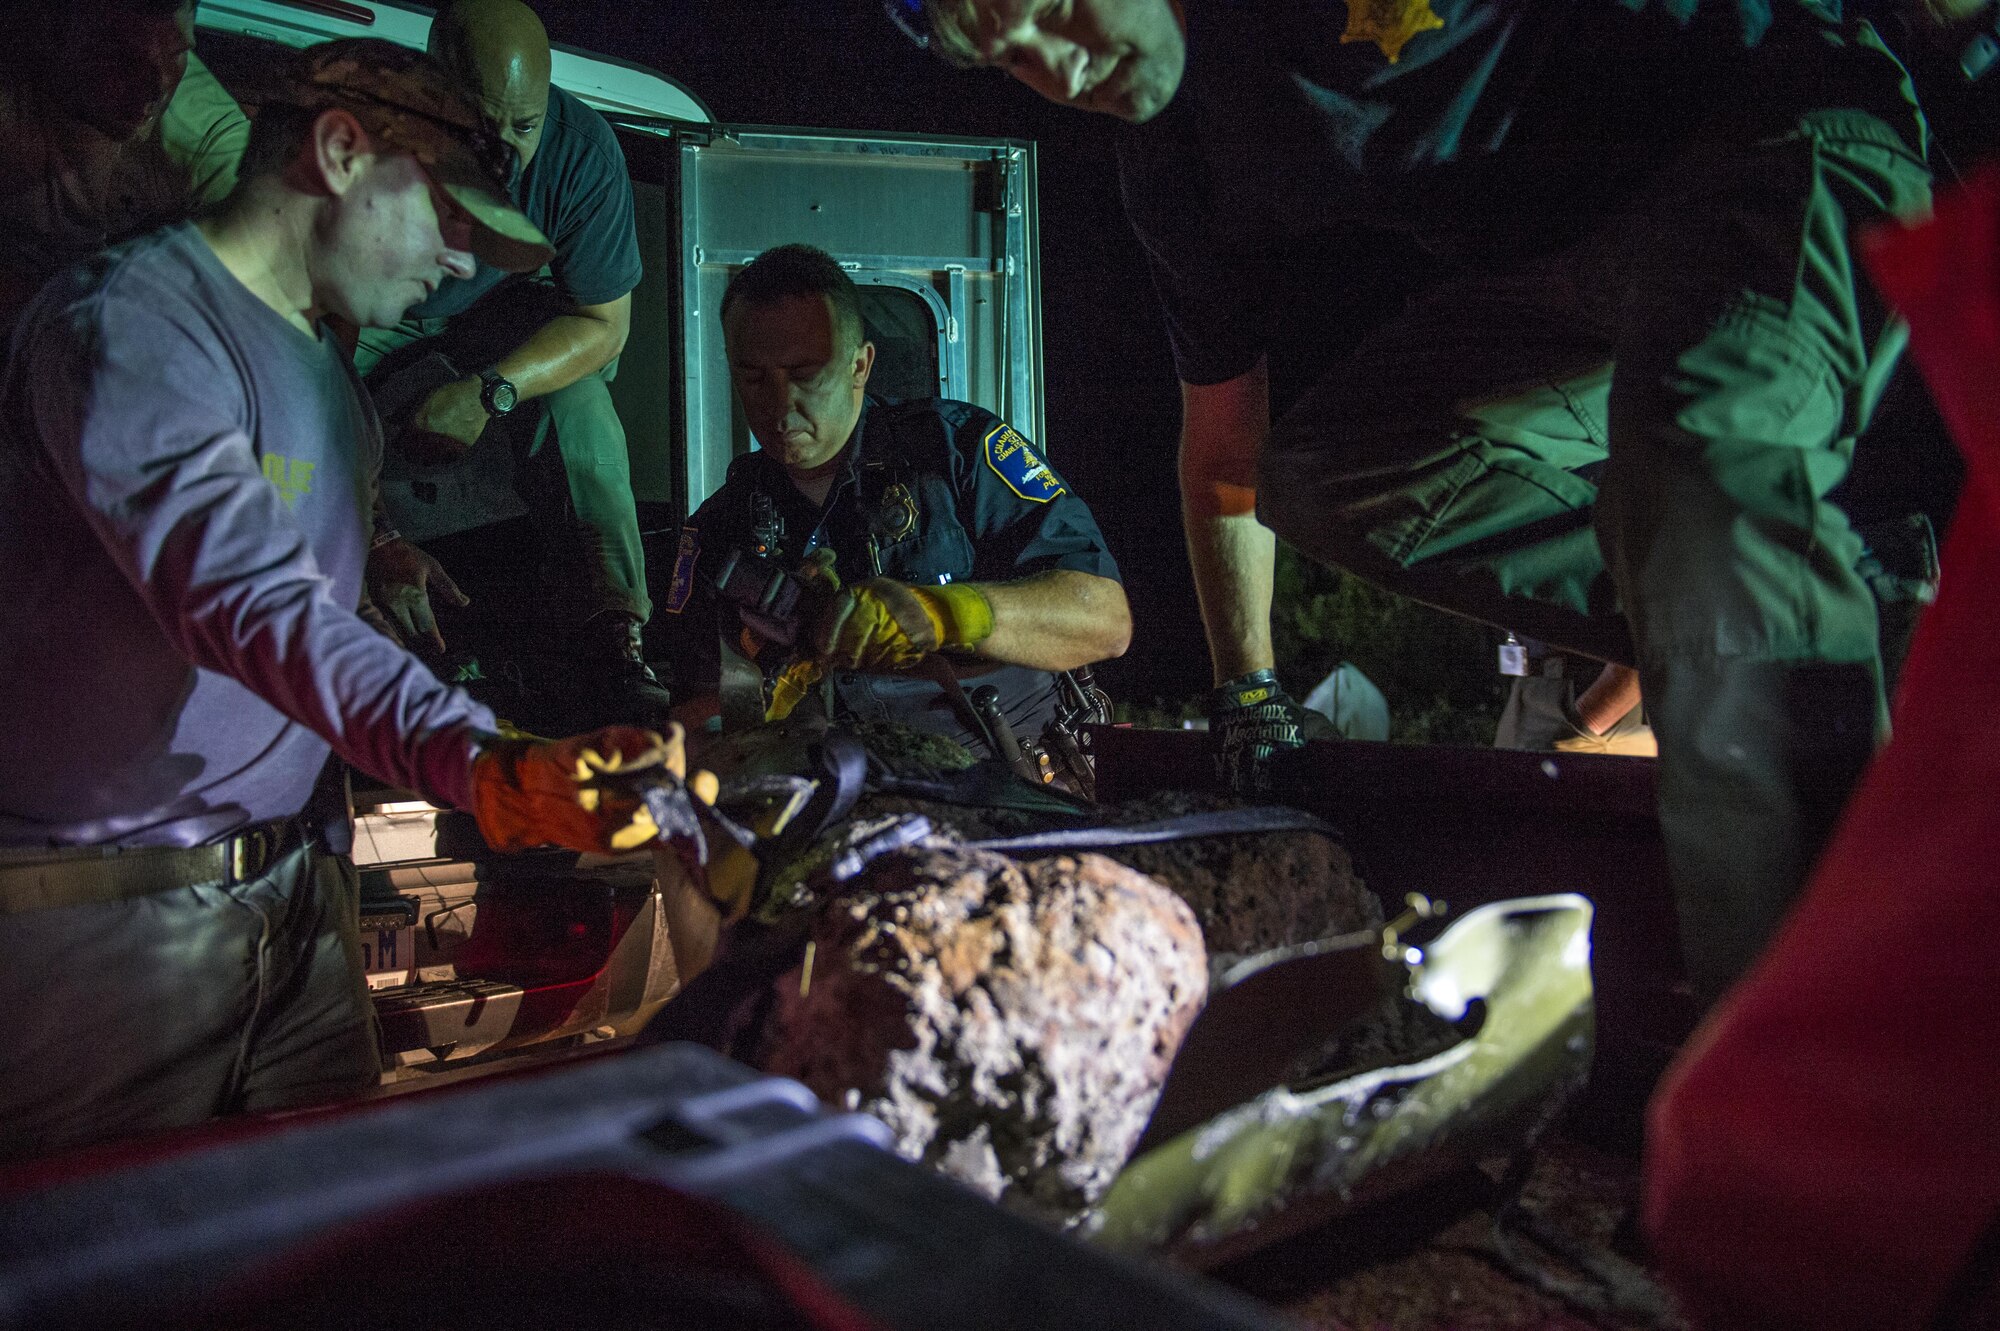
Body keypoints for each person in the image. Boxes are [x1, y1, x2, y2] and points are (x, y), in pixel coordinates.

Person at [893, 0, 1934, 1001]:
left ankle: (1819, 1051)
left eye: (1062, 7)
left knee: (1698, 460)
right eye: (1016, 56)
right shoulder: (1176, 164)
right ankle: (1840, 601)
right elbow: (1224, 451)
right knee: (1326, 473)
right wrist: (1245, 691)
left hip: (1767, 137)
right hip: (1572, 275)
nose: (1063, 68)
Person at [0, 38, 699, 1163]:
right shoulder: (134, 326)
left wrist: (372, 561)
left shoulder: (330, 379)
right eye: (448, 220)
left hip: (294, 904)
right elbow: (246, 602)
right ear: (338, 150)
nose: (462, 265)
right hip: (104, 931)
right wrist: (485, 761)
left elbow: (289, 579)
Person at [661, 243, 1131, 759]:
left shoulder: (957, 452)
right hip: (830, 796)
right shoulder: (721, 525)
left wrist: (946, 614)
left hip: (1002, 780)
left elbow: (1105, 621)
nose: (780, 404)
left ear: (860, 365)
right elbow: (692, 709)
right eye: (753, 378)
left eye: (803, 373)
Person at [355, 0, 668, 727]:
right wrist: (377, 533)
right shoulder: (368, 139)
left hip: (495, 313)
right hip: (370, 308)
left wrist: (489, 391)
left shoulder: (579, 153)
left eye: (522, 126)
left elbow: (604, 324)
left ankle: (615, 635)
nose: (504, 148)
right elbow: (304, 342)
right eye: (480, 123)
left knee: (579, 402)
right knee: (308, 400)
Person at [0, 0, 249, 332]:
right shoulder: (13, 81)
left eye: (177, 54)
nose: (157, 86)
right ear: (56, 36)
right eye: (123, 59)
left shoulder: (206, 131)